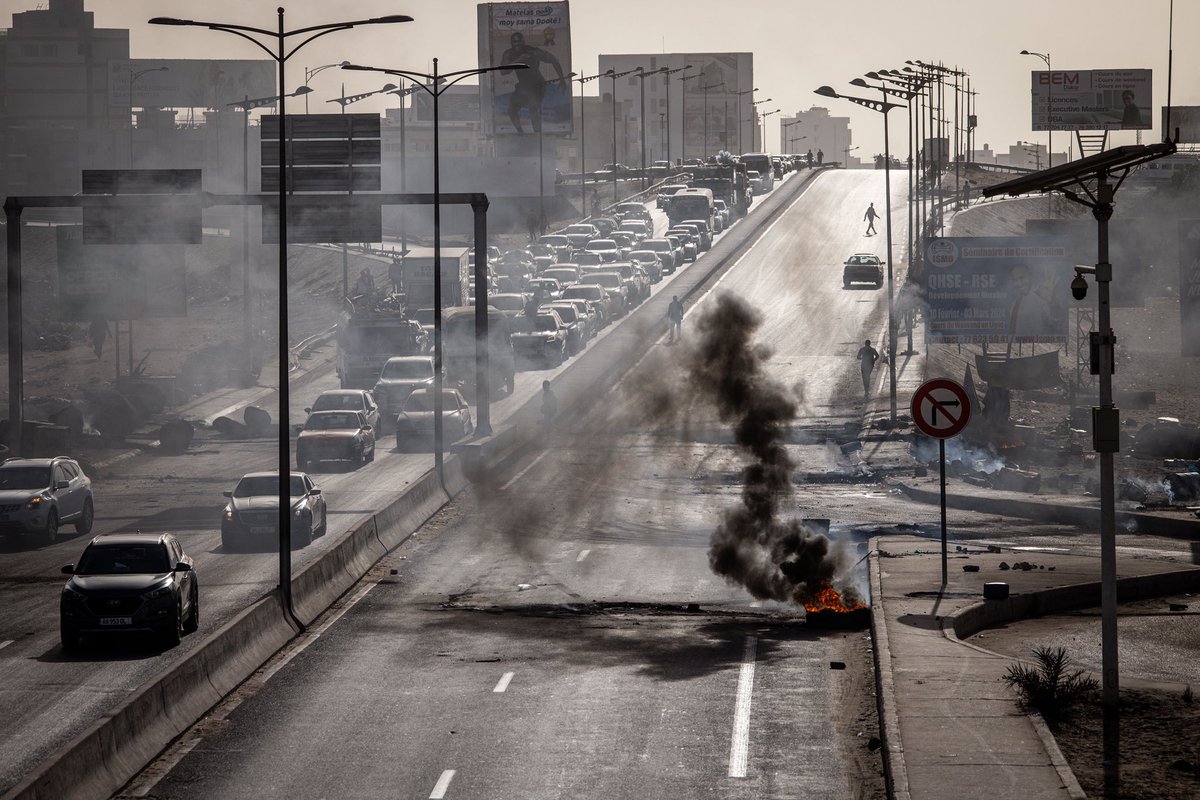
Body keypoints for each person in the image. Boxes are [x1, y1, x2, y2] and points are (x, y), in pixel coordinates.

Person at [499, 31, 566, 134]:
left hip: (537, 85)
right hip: (523, 86)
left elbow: (554, 60)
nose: (518, 44)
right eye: (515, 42)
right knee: (511, 110)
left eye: (520, 41)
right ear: (511, 43)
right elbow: (503, 71)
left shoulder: (533, 51)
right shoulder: (509, 54)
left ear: (524, 42)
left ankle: (537, 134)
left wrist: (562, 80)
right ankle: (520, 132)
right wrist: (517, 61)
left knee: (532, 107)